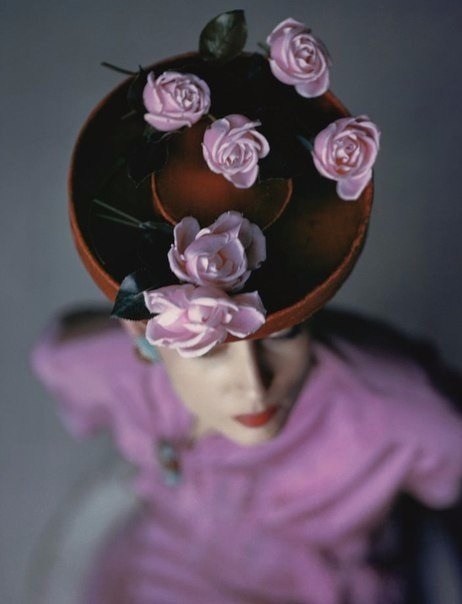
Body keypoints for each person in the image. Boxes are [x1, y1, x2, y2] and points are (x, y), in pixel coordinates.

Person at [33, 11, 462, 604]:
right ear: (142, 332)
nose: (254, 387)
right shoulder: (103, 369)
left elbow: (447, 475)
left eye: (285, 333)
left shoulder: (396, 408)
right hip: (167, 572)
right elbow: (60, 362)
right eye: (209, 349)